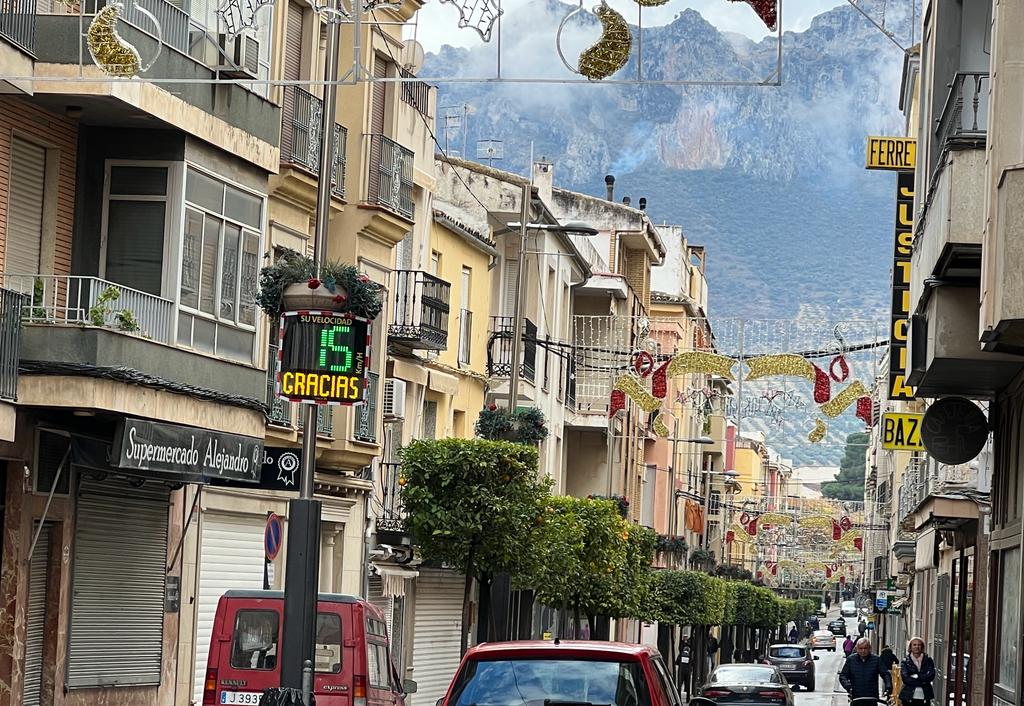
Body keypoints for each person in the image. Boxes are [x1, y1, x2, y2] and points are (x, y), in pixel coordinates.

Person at [899, 637, 936, 706]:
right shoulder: (905, 662)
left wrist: (917, 676)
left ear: (922, 647)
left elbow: (931, 676)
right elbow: (905, 678)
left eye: (919, 645)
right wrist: (923, 680)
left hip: (925, 695)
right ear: (910, 647)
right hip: (908, 696)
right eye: (914, 645)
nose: (917, 647)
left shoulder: (928, 660)